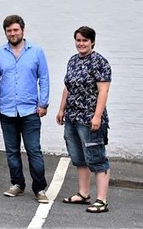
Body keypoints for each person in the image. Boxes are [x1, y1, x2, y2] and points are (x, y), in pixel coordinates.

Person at [0, 15, 50, 203]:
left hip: (30, 111)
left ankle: (39, 188)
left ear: (23, 30)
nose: (13, 33)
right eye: (9, 31)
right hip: (7, 111)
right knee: (11, 151)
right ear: (5, 32)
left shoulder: (36, 52)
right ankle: (17, 184)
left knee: (33, 150)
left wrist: (43, 103)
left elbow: (44, 79)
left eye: (15, 30)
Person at [56, 26, 112, 213]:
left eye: (85, 40)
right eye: (78, 40)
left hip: (90, 119)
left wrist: (97, 116)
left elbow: (103, 91)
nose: (81, 44)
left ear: (92, 42)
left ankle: (102, 200)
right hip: (72, 117)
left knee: (96, 158)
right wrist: (61, 109)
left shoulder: (99, 62)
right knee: (79, 158)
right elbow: (67, 87)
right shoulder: (72, 61)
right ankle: (83, 193)